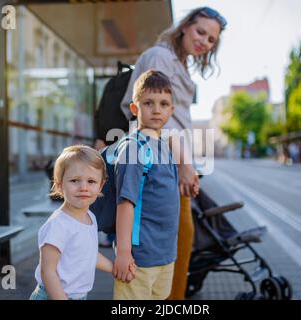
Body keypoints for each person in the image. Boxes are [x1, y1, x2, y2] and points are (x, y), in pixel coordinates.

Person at [119, 6, 227, 300]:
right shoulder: (160, 57)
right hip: (161, 165)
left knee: (178, 240)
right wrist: (185, 166)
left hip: (171, 162)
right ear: (185, 27)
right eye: (200, 31)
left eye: (211, 39)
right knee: (175, 241)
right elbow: (154, 116)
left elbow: (177, 120)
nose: (204, 41)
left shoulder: (178, 62)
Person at [113, 70, 180, 300]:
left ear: (171, 110)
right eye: (148, 103)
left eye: (164, 104)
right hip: (138, 258)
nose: (157, 109)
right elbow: (125, 203)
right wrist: (123, 253)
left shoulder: (165, 147)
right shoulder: (134, 148)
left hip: (165, 255)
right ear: (135, 108)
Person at [30, 145, 114, 300]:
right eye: (75, 180)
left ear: (101, 185)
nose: (83, 187)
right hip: (53, 295)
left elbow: (88, 254)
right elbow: (47, 271)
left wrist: (114, 268)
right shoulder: (58, 225)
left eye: (91, 181)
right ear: (59, 184)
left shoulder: (90, 217)